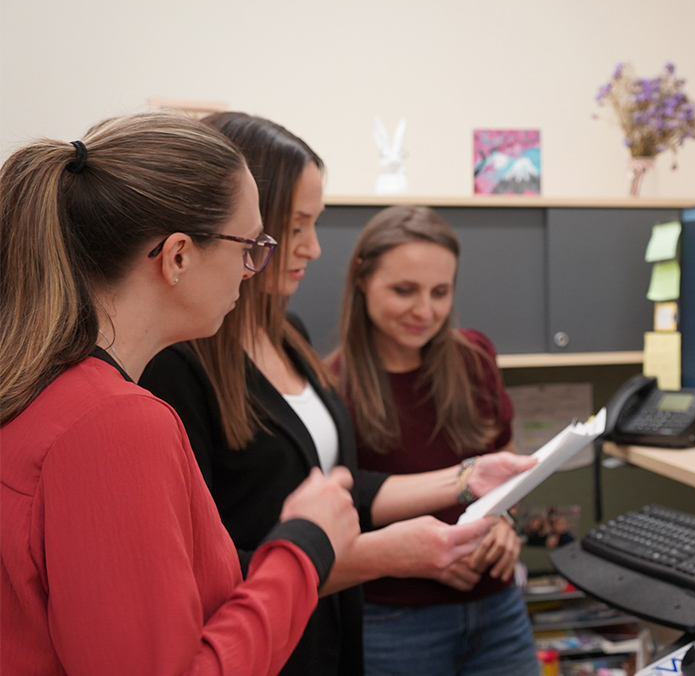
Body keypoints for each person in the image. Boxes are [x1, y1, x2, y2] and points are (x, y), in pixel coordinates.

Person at [140, 112, 533, 676]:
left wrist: (467, 478)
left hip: (326, 629)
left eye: (310, 225)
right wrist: (384, 554)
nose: (311, 248)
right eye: (295, 226)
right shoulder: (176, 364)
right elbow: (207, 566)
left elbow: (340, 483)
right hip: (263, 641)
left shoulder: (286, 333)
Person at [0, 112, 360, 675]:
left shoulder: (44, 386)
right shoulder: (113, 425)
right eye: (249, 246)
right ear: (178, 257)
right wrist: (305, 546)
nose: (251, 270)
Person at [333, 205, 540, 676]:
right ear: (362, 279)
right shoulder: (332, 388)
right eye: (404, 290)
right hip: (394, 620)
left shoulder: (475, 358)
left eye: (440, 292)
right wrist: (421, 558)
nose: (425, 311)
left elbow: (502, 459)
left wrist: (506, 521)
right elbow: (345, 512)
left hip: (497, 608)